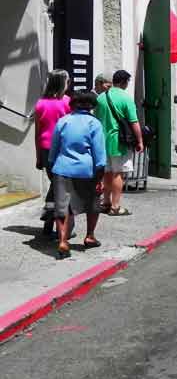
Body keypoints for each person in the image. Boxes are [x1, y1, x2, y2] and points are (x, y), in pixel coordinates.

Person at [48, 91, 106, 259]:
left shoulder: (63, 121)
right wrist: (99, 177)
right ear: (91, 106)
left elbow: (54, 149)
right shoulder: (94, 124)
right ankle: (89, 236)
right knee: (93, 203)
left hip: (62, 169)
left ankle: (63, 241)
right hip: (87, 170)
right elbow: (99, 154)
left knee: (63, 206)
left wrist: (51, 166)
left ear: (72, 104)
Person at [94, 70, 143, 216]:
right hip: (118, 142)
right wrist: (139, 140)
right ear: (124, 82)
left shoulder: (101, 97)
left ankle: (106, 202)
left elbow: (96, 119)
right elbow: (134, 122)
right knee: (118, 174)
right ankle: (115, 206)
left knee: (107, 173)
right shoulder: (126, 98)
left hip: (102, 141)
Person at [34, 70, 71, 237]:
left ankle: (48, 223)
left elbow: (37, 132)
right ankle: (62, 227)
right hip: (62, 150)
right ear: (62, 83)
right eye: (67, 82)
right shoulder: (67, 102)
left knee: (55, 184)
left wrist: (38, 156)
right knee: (62, 187)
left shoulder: (40, 104)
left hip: (45, 149)